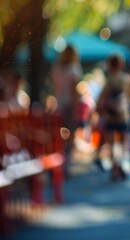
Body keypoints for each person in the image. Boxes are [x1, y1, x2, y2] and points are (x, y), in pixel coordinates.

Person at [97, 54, 130, 181]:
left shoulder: (109, 80)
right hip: (123, 115)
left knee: (112, 143)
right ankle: (119, 164)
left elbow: (102, 97)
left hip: (110, 115)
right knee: (123, 142)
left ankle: (115, 166)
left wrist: (101, 111)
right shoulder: (126, 79)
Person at [51, 45, 82, 177]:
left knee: (59, 136)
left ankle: (58, 164)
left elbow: (55, 87)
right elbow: (74, 91)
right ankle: (66, 166)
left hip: (59, 105)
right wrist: (76, 109)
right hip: (69, 106)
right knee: (69, 137)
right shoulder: (74, 69)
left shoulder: (56, 68)